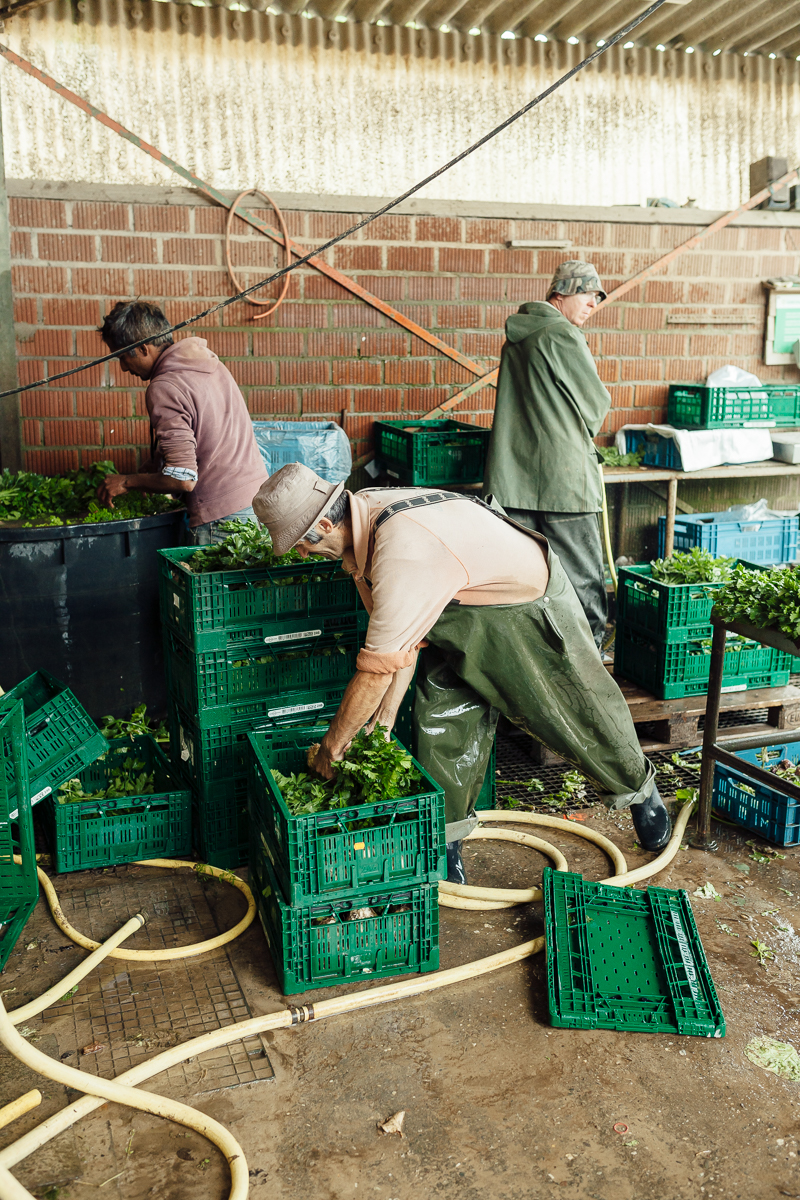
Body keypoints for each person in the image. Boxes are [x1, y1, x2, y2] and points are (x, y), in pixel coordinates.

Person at [252, 464, 672, 886]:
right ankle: (448, 842)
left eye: (300, 546)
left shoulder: (401, 549)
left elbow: (375, 671)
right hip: (456, 608)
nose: (301, 556)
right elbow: (401, 648)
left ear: (324, 523)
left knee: (576, 713)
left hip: (524, 605)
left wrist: (332, 748)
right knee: (440, 725)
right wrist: (380, 725)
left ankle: (638, 791)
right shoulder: (365, 522)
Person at [482, 260, 611, 649]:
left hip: (514, 476)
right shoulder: (561, 334)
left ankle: (531, 652)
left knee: (526, 574)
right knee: (582, 572)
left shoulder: (517, 337)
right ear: (561, 294)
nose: (592, 305)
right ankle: (592, 652)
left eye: (596, 299)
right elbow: (595, 403)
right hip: (563, 477)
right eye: (587, 296)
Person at [96, 301, 268, 544]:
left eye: (123, 357)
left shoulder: (165, 386)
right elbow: (204, 432)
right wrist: (152, 468)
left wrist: (126, 481)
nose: (124, 368)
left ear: (144, 349)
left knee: (214, 584)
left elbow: (183, 479)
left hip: (221, 519)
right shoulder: (209, 365)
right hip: (258, 502)